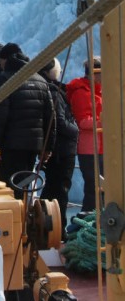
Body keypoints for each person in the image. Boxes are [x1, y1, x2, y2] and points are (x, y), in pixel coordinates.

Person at [0, 43, 55, 198]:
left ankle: (12, 213)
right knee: (24, 184)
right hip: (33, 146)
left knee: (8, 187)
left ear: (5, 60)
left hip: (10, 146)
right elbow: (50, 116)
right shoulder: (40, 80)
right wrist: (47, 147)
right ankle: (24, 211)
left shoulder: (4, 79)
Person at [38, 58, 78, 240]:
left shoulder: (46, 89)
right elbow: (60, 122)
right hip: (63, 150)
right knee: (60, 190)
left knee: (52, 188)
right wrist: (76, 129)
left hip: (53, 148)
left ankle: (46, 228)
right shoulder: (54, 92)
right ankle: (58, 231)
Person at [66, 56, 103, 212]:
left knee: (103, 188)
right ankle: (88, 219)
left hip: (103, 147)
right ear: (94, 73)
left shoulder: (99, 91)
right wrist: (106, 122)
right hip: (90, 149)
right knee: (94, 189)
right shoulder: (81, 92)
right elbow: (83, 121)